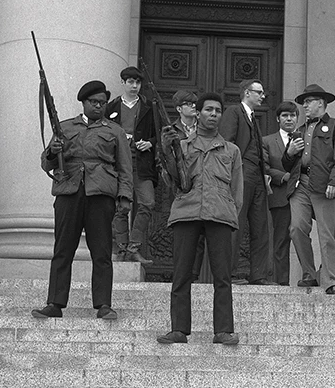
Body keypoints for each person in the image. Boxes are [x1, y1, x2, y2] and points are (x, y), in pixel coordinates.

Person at [31, 80, 132, 321]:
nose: (98, 106)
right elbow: (47, 164)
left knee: (102, 251)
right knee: (63, 249)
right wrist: (53, 151)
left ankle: (104, 304)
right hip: (69, 191)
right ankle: (55, 303)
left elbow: (125, 168)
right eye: (93, 102)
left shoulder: (114, 131)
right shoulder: (64, 127)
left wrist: (125, 197)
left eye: (102, 103)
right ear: (83, 103)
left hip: (100, 194)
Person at [157, 92, 243, 345]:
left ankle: (223, 330)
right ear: (198, 113)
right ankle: (179, 330)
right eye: (208, 110)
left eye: (217, 110)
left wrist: (230, 214)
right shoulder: (182, 146)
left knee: (223, 276)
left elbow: (237, 190)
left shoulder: (232, 150)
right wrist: (166, 150)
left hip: (220, 214)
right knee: (182, 273)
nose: (213, 114)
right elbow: (171, 182)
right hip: (187, 212)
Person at [283, 84, 335, 295]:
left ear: (320, 103)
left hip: (324, 185)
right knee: (296, 228)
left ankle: (331, 280)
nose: (304, 105)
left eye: (308, 101)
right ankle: (309, 274)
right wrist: (290, 153)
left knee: (327, 233)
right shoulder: (300, 130)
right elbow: (287, 164)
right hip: (300, 184)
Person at [218, 79, 273, 285]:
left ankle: (258, 274)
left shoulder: (253, 118)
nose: (263, 96)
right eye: (259, 92)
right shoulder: (234, 112)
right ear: (247, 93)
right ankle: (229, 274)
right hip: (241, 173)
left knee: (261, 226)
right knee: (237, 223)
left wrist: (265, 172)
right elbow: (227, 143)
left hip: (258, 176)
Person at [105, 66, 157, 264]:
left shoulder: (148, 106)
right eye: (130, 82)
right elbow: (103, 134)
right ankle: (121, 248)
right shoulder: (111, 107)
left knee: (147, 203)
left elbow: (158, 134)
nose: (134, 86)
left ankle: (134, 246)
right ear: (123, 83)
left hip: (141, 162)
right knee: (121, 206)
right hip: (118, 163)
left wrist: (150, 142)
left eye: (137, 82)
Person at [262, 100, 300, 285]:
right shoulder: (267, 141)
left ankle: (308, 277)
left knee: (302, 238)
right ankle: (282, 282)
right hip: (281, 197)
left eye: (292, 115)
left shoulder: (305, 139)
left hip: (303, 196)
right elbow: (265, 168)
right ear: (278, 119)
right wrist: (285, 177)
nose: (289, 119)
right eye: (285, 115)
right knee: (281, 241)